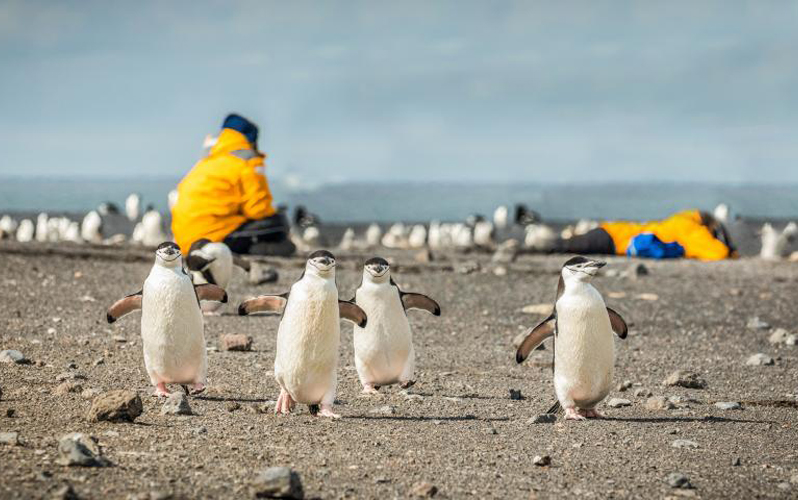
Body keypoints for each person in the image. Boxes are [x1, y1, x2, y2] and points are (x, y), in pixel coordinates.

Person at [171, 114, 295, 256]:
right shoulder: (247, 160)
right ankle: (256, 249)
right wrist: (276, 215)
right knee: (277, 222)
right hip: (214, 237)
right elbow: (258, 209)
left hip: (185, 242)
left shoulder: (207, 161)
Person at [548, 209, 736, 261]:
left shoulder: (681, 219)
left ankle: (539, 246)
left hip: (613, 232)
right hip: (614, 237)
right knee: (565, 246)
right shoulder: (691, 228)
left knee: (569, 245)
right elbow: (717, 253)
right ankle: (531, 249)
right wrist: (728, 248)